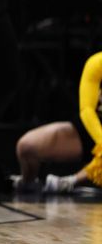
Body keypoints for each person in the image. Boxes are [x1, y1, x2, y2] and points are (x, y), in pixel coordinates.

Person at [14, 51, 102, 194]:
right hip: (92, 131)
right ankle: (27, 183)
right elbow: (86, 110)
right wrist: (101, 142)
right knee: (26, 147)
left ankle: (70, 182)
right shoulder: (97, 62)